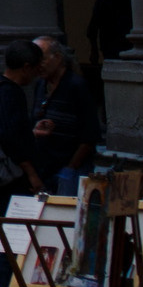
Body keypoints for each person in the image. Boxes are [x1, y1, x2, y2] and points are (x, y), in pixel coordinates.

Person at [0, 41, 47, 287]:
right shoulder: (9, 93)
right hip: (12, 179)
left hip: (4, 178)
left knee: (9, 242)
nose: (37, 74)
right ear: (26, 67)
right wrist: (31, 173)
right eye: (35, 68)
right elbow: (11, 138)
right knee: (17, 242)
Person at [30, 35, 97, 193]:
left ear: (58, 58)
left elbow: (90, 134)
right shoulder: (41, 84)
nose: (37, 66)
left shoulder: (76, 86)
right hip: (46, 165)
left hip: (71, 165)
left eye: (42, 60)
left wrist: (71, 167)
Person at [86, 0, 133, 70]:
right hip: (111, 45)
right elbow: (93, 26)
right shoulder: (104, 0)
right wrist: (94, 49)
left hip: (127, 45)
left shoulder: (130, 0)